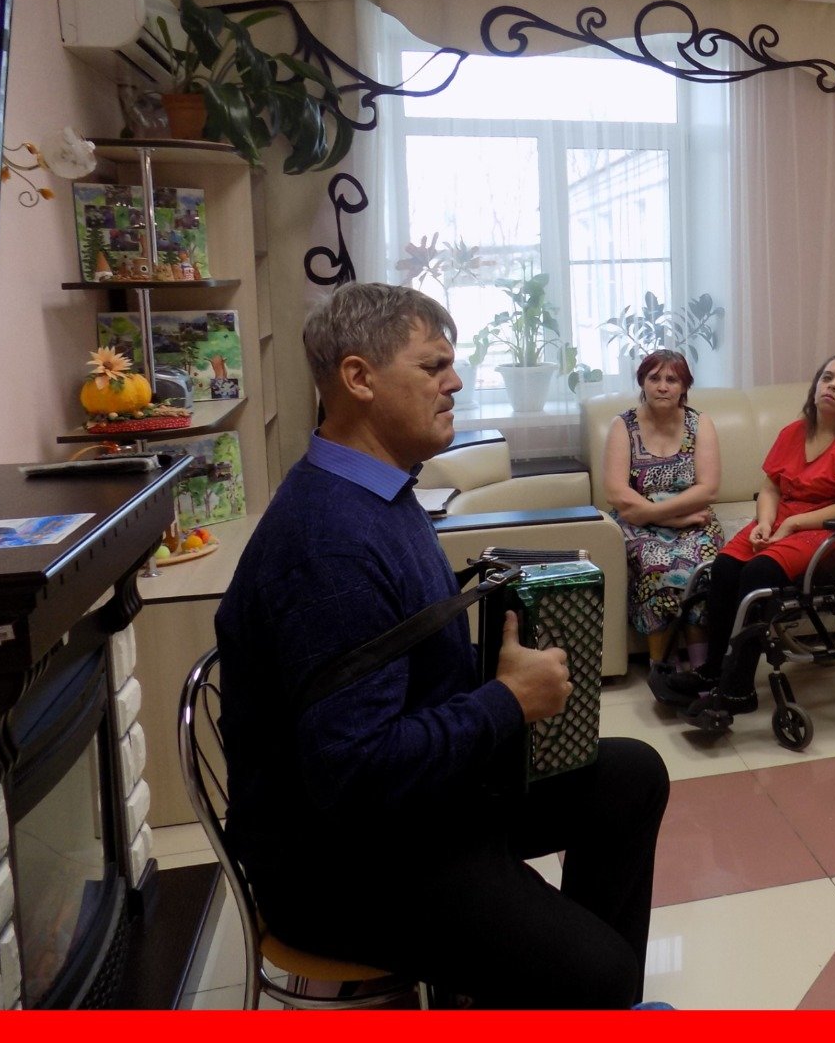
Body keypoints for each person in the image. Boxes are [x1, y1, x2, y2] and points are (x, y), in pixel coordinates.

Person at [214, 282, 669, 1008]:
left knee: (633, 775)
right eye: (433, 367)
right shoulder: (329, 546)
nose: (455, 382)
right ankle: (575, 985)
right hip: (343, 860)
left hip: (419, 806)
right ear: (359, 378)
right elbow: (354, 773)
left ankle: (551, 989)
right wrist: (507, 701)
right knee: (599, 973)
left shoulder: (379, 491)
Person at [651, 353, 835, 722]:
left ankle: (738, 689)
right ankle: (712, 671)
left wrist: (794, 524)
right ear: (816, 386)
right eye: (828, 377)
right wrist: (766, 523)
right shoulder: (795, 431)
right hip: (792, 519)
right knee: (724, 567)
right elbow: (770, 488)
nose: (833, 386)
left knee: (759, 575)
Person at [602, 350, 723, 670]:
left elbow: (708, 489)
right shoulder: (623, 425)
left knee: (704, 569)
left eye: (672, 379)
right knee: (657, 566)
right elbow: (616, 492)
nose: (663, 386)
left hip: (693, 521)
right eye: (654, 378)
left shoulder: (700, 423)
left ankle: (701, 667)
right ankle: (662, 667)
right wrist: (672, 519)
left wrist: (663, 515)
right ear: (643, 382)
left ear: (684, 387)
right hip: (638, 524)